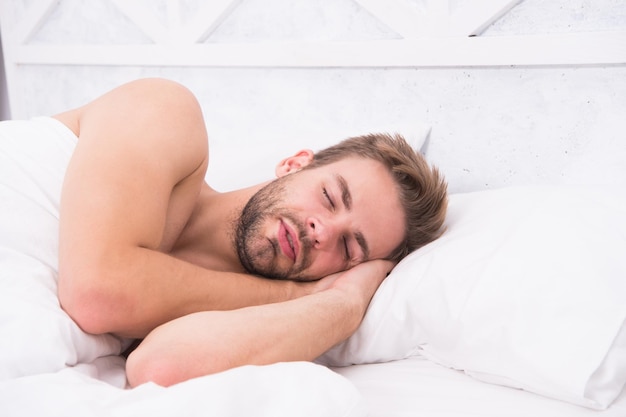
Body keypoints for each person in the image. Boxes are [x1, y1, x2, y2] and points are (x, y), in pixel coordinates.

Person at [48, 78, 448, 387]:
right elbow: (97, 293)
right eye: (329, 196)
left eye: (348, 247)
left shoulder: (238, 310)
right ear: (294, 164)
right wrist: (298, 294)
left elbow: (159, 369)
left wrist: (345, 303)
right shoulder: (166, 111)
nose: (321, 230)